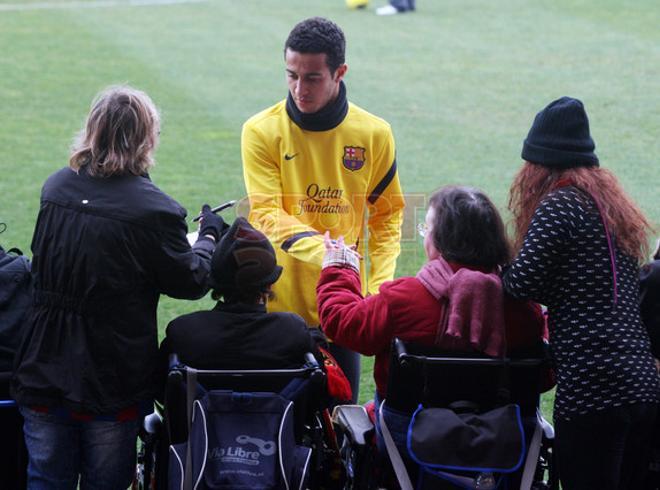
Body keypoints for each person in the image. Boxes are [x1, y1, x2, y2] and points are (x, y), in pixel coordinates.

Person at [11, 85, 225, 490]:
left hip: (43, 364)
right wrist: (209, 238)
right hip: (111, 377)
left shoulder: (55, 188)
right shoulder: (154, 210)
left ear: (93, 129)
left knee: (45, 480)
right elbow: (191, 281)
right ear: (146, 137)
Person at [241, 16, 405, 403]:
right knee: (275, 430)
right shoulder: (261, 131)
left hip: (343, 308)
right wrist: (331, 255)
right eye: (291, 75)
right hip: (277, 306)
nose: (300, 88)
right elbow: (266, 213)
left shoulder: (373, 134)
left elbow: (387, 217)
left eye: (312, 77)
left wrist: (375, 289)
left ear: (340, 72)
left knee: (341, 429)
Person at [317, 185, 549, 453]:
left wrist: (340, 266)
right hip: (503, 437)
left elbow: (343, 323)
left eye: (426, 229)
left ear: (443, 240)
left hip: (408, 436)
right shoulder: (523, 308)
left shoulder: (405, 298)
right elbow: (541, 377)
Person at [502, 96, 660, 490]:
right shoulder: (610, 209)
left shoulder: (559, 204)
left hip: (593, 389)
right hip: (641, 385)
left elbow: (519, 285)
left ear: (539, 166)